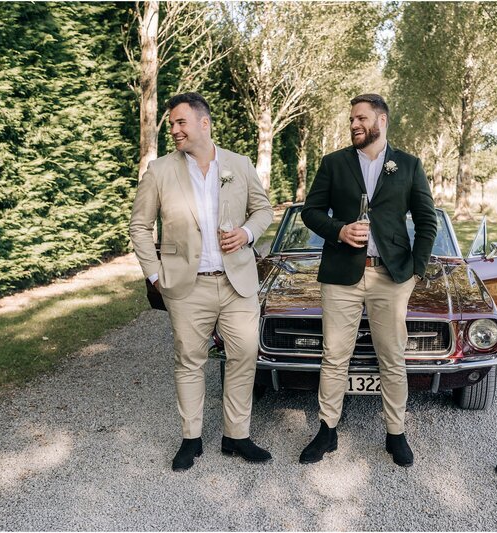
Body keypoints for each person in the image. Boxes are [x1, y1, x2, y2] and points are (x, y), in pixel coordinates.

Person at [129, 92, 274, 471]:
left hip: (237, 282)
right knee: (189, 362)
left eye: (181, 123)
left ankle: (236, 436)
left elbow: (263, 210)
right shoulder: (160, 171)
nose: (174, 130)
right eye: (171, 124)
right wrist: (155, 274)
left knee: (244, 355)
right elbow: (140, 226)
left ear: (203, 123)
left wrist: (245, 233)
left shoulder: (239, 164)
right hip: (186, 287)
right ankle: (191, 439)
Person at [299, 93, 437, 467]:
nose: (355, 125)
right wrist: (339, 230)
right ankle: (326, 432)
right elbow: (310, 212)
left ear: (381, 120)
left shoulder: (408, 165)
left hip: (390, 277)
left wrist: (414, 273)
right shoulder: (334, 163)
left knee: (392, 357)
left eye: (361, 118)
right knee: (334, 355)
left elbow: (428, 222)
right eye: (351, 120)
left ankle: (396, 433)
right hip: (341, 276)